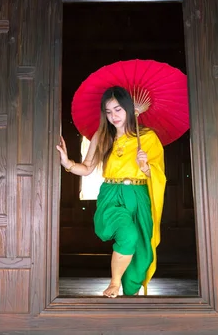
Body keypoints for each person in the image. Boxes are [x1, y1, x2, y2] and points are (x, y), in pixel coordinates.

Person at [56, 86, 166, 298]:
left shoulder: (148, 137)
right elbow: (87, 168)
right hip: (112, 195)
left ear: (128, 108)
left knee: (142, 252)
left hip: (139, 195)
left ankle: (129, 295)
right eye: (108, 112)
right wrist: (67, 162)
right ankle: (114, 283)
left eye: (118, 109)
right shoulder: (101, 136)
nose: (113, 116)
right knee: (128, 235)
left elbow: (158, 173)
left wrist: (145, 167)